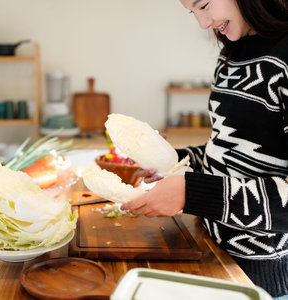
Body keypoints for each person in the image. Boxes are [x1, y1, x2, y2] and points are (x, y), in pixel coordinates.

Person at [121, 0, 288, 298]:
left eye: (205, 5)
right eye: (192, 12)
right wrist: (175, 162)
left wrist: (191, 191)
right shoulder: (232, 56)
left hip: (263, 281)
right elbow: (227, 152)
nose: (202, 23)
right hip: (212, 254)